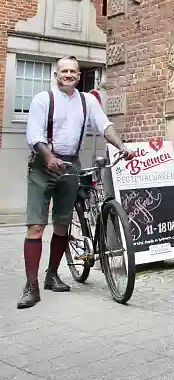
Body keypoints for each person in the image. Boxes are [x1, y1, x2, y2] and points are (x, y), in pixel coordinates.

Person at [19, 56, 135, 309]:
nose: (69, 75)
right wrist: (49, 157)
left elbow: (105, 126)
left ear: (79, 76)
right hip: (42, 165)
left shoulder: (87, 101)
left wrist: (121, 146)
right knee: (36, 226)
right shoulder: (43, 99)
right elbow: (34, 134)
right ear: (56, 74)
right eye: (64, 71)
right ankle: (31, 286)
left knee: (62, 225)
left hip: (71, 165)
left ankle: (52, 275)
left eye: (73, 71)